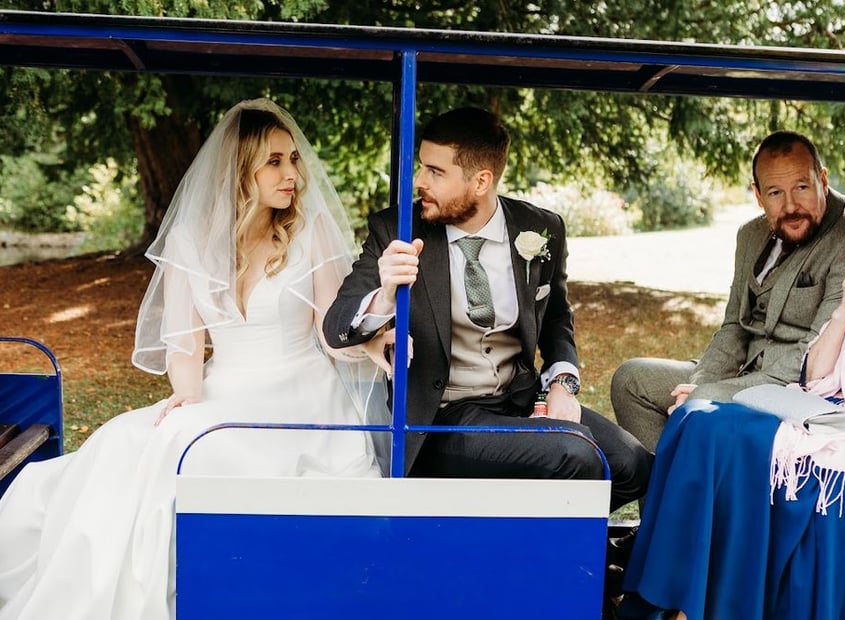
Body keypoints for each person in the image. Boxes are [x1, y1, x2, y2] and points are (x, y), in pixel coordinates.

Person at [0, 98, 389, 620]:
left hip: (302, 394)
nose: (292, 175)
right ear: (241, 170)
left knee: (199, 455)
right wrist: (185, 396)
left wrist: (372, 340)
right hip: (224, 388)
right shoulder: (189, 240)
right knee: (126, 443)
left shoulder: (309, 230)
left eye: (293, 160)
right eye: (274, 162)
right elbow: (185, 346)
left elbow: (330, 328)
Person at [618, 139, 845, 620]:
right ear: (758, 195)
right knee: (679, 408)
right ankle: (674, 566)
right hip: (816, 406)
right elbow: (801, 366)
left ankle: (684, 592)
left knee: (704, 423)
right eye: (775, 192)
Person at [323, 107, 653, 509]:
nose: (419, 181)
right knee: (576, 454)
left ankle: (531, 531)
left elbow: (556, 321)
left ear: (481, 181)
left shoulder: (540, 228)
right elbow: (336, 326)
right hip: (441, 419)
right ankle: (537, 538)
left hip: (521, 401)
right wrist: (386, 294)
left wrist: (562, 386)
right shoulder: (396, 229)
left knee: (634, 466)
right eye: (422, 167)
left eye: (435, 172)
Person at [611, 131, 845, 454]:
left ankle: (686, 479)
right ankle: (663, 486)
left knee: (699, 405)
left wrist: (708, 393)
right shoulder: (750, 234)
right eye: (775, 193)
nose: (791, 206)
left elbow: (812, 357)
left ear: (822, 179)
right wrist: (700, 381)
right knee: (631, 380)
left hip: (798, 389)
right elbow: (734, 327)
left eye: (802, 187)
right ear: (758, 195)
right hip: (741, 374)